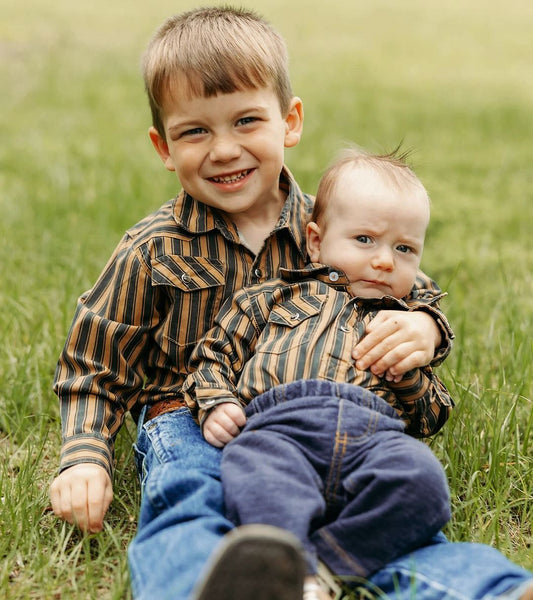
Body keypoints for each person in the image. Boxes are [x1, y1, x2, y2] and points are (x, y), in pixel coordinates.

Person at [47, 6, 533, 600]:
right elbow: (94, 366)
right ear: (163, 146)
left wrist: (426, 329)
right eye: (195, 131)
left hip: (336, 416)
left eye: (246, 120)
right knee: (189, 494)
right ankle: (203, 584)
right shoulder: (152, 249)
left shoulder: (337, 226)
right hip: (192, 417)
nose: (224, 150)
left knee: (395, 518)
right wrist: (84, 458)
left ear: (290, 120)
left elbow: (408, 284)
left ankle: (481, 589)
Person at [182, 148, 454, 599]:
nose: (385, 260)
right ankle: (284, 560)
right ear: (315, 241)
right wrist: (217, 402)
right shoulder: (272, 296)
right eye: (364, 239)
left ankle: (322, 571)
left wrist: (409, 372)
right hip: (280, 426)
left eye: (404, 249)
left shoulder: (403, 322)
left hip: (376, 435)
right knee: (256, 472)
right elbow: (212, 356)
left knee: (424, 482)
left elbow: (431, 416)